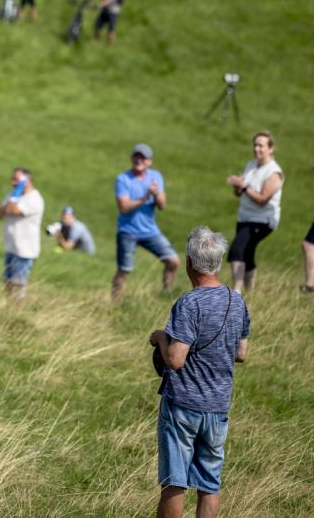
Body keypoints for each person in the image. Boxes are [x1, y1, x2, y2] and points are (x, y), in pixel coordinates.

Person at [147, 227, 249, 518]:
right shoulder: (236, 301)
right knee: (208, 485)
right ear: (218, 262)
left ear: (190, 263)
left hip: (183, 405)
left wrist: (160, 338)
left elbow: (175, 359)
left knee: (175, 482)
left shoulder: (189, 303)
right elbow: (241, 353)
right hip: (217, 407)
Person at [113, 142, 180, 300]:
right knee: (124, 269)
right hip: (127, 231)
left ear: (149, 161)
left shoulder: (155, 177)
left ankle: (167, 295)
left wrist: (156, 194)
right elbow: (124, 207)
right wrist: (145, 197)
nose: (139, 160)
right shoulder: (123, 179)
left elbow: (162, 205)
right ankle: (115, 302)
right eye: (136, 157)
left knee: (173, 261)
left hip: (150, 231)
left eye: (143, 158)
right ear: (131, 158)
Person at [225, 131, 283, 295]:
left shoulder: (274, 172)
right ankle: (251, 294)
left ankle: (236, 292)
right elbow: (240, 193)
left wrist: (244, 187)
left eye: (261, 146)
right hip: (244, 217)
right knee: (248, 254)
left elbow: (263, 199)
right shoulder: (251, 165)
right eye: (255, 145)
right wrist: (237, 186)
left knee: (237, 250)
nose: (257, 149)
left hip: (262, 220)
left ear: (270, 148)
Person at [0, 167, 45, 301]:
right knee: (8, 283)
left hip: (24, 250)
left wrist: (16, 193)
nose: (13, 183)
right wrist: (14, 195)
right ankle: (10, 309)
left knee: (17, 285)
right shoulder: (12, 194)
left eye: (16, 180)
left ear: (27, 181)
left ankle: (18, 310)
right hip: (11, 247)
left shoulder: (34, 199)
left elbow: (12, 210)